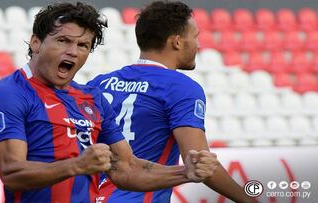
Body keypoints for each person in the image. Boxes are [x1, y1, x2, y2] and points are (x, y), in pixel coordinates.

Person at [0, 2, 219, 203]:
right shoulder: (8, 94)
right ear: (36, 43)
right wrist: (77, 165)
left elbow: (126, 168)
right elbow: (12, 173)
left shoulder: (92, 98)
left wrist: (185, 172)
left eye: (82, 45)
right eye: (63, 40)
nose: (73, 51)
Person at [87, 1, 258, 203]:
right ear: (177, 42)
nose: (198, 45)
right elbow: (200, 162)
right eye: (195, 37)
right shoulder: (181, 87)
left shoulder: (98, 83)